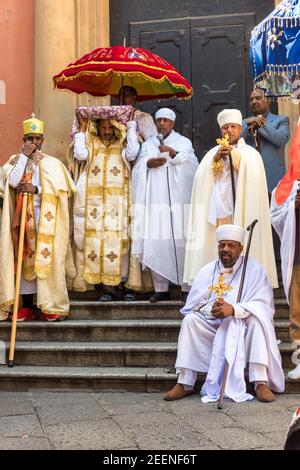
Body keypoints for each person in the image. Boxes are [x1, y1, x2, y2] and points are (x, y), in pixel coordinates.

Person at [164, 224, 284, 403]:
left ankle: (260, 382)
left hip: (243, 327)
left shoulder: (255, 270)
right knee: (190, 320)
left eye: (231, 245)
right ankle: (185, 382)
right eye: (222, 245)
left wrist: (233, 310)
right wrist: (212, 309)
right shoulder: (206, 271)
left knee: (258, 321)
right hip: (213, 325)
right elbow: (193, 305)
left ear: (240, 248)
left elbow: (263, 306)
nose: (225, 249)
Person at [184, 108, 278, 288]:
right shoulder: (212, 153)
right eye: (225, 127)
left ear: (239, 128)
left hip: (241, 212)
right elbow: (200, 181)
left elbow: (252, 176)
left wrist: (235, 157)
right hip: (219, 213)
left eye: (233, 126)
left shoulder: (251, 154)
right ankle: (216, 284)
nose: (229, 130)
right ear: (221, 130)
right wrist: (215, 161)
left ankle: (244, 284)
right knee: (218, 248)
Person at [0, 115, 76, 321]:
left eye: (37, 138)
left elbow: (64, 191)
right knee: (23, 263)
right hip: (22, 219)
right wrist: (24, 157)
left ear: (43, 139)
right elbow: (11, 183)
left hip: (45, 219)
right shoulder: (15, 162)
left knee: (46, 262)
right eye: (30, 138)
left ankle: (49, 304)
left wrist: (37, 188)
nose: (34, 142)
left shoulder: (53, 164)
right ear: (24, 139)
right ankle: (26, 306)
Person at [131, 108, 198, 302]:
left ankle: (186, 289)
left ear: (172, 123)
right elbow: (138, 169)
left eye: (165, 121)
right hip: (155, 200)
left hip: (179, 201)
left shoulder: (183, 142)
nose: (161, 124)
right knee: (157, 240)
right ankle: (161, 288)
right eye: (158, 120)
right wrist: (148, 164)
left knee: (181, 240)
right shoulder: (148, 144)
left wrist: (173, 154)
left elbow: (193, 166)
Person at [70, 116, 140, 301]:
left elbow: (133, 153)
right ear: (98, 128)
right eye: (104, 127)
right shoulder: (92, 144)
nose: (107, 131)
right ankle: (106, 288)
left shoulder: (123, 145)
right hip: (95, 205)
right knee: (97, 243)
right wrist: (81, 131)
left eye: (110, 127)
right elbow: (80, 155)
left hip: (119, 203)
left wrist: (131, 126)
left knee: (121, 241)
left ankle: (123, 285)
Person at [270, 122, 300, 379]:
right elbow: (276, 214)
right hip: (298, 256)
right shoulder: (287, 184)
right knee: (298, 309)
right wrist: (294, 206)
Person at [242, 87, 290, 193]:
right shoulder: (245, 123)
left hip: (273, 181)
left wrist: (260, 123)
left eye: (258, 98)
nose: (253, 101)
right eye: (252, 99)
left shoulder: (281, 120)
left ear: (268, 101)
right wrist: (247, 122)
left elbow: (280, 140)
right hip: (250, 181)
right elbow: (234, 140)